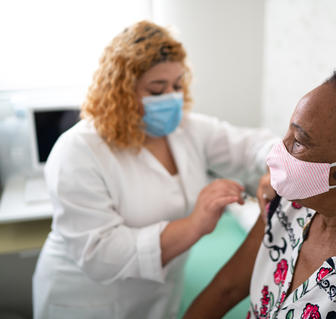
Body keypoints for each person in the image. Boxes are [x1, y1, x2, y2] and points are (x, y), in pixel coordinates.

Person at [32, 20, 277, 319]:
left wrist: (276, 170)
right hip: (87, 301)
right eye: (157, 89)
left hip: (159, 298)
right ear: (120, 92)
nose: (172, 98)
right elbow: (100, 256)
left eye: (177, 85)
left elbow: (253, 145)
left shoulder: (186, 130)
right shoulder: (79, 149)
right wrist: (195, 224)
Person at [184, 64, 336, 318]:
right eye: (288, 132)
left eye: (298, 142)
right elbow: (226, 289)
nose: (279, 151)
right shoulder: (288, 205)